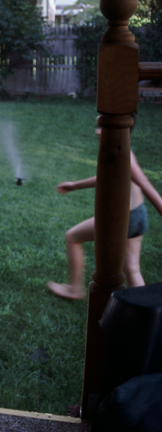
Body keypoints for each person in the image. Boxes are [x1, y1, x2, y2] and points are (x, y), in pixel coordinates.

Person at [48, 122, 162, 300]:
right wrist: (75, 185)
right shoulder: (119, 148)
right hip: (139, 215)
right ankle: (144, 312)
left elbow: (146, 184)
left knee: (72, 236)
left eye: (103, 128)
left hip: (127, 218)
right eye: (98, 126)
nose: (97, 131)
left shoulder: (123, 152)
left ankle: (74, 289)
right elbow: (105, 174)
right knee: (132, 269)